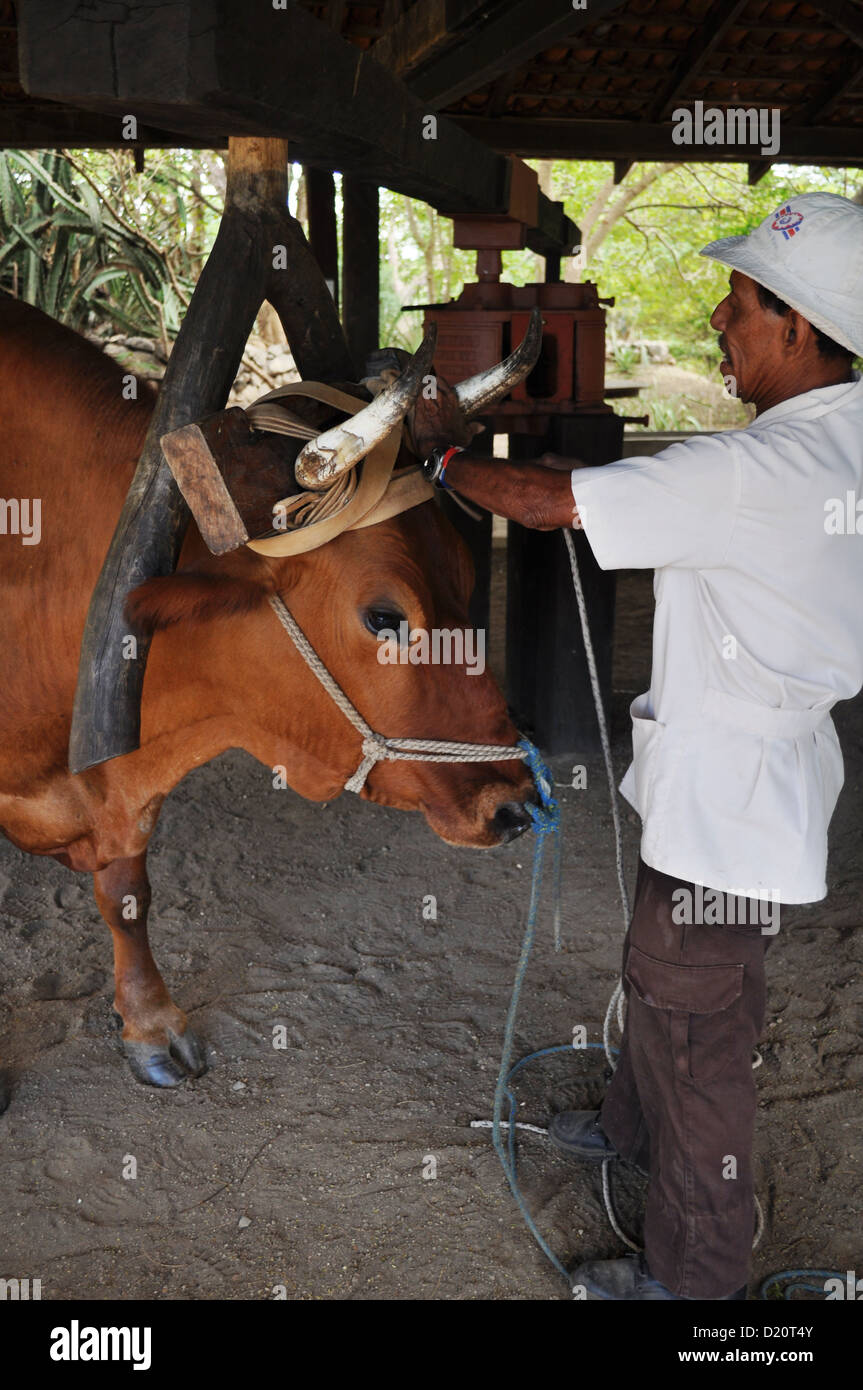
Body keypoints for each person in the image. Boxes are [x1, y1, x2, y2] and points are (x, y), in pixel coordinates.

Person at [411, 192, 863, 1300]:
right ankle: (622, 1126)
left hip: (724, 807)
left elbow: (550, 500)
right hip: (755, 791)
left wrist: (438, 457)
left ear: (798, 327)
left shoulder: (756, 474)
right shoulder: (837, 441)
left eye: (741, 302)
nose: (719, 316)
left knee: (698, 1039)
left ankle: (694, 1284)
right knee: (669, 979)